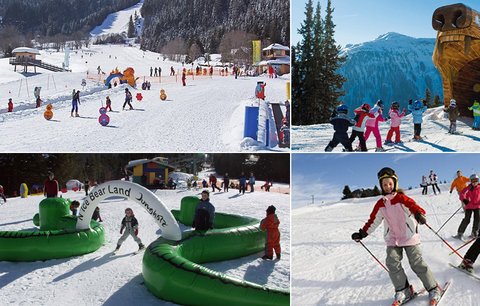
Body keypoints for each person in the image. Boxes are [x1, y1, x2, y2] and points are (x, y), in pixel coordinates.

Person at [351, 167, 442, 305]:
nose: (388, 186)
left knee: (416, 263)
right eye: (385, 184)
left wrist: (419, 215)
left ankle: (433, 288)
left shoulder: (401, 198)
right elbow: (373, 221)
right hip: (393, 238)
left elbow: (414, 207)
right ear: (381, 186)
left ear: (395, 184)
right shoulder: (381, 204)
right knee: (392, 263)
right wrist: (362, 233)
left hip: (409, 236)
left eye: (390, 183)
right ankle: (404, 290)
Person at [453, 174, 480, 240]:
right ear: (470, 181)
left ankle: (474, 232)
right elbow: (462, 194)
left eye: (476, 181)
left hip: (477, 206)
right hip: (469, 206)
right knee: (467, 219)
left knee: (478, 219)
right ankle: (460, 233)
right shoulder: (468, 188)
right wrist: (464, 200)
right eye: (473, 181)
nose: (474, 182)